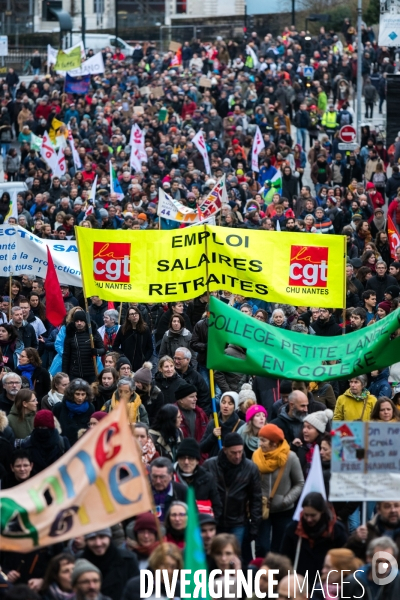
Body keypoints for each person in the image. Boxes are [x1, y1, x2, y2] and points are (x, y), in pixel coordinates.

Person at [252, 423, 304, 556]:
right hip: (262, 509)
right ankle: (261, 574)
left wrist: (286, 501)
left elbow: (299, 483)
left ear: (274, 443)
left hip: (283, 510)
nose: (260, 444)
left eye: (263, 440)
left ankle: (277, 575)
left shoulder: (290, 457)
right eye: (260, 439)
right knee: (262, 546)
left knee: (279, 548)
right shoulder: (256, 456)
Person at [203, 432, 262, 546]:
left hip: (238, 522)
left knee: (233, 556)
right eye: (233, 453)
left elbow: (256, 499)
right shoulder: (210, 465)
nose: (238, 456)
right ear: (225, 450)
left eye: (240, 452)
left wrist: (254, 527)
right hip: (215, 521)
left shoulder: (250, 468)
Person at [280, 492, 348, 583]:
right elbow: (284, 558)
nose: (309, 519)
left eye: (313, 515)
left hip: (327, 583)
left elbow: (345, 559)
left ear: (322, 512)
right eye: (306, 515)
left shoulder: (336, 531)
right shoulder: (293, 529)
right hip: (299, 583)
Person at [79, 528, 139, 600]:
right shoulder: (79, 562)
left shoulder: (128, 560)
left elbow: (135, 591)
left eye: (102, 537)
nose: (98, 543)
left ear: (109, 538)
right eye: (92, 538)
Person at [174, 437, 222, 519]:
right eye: (182, 458)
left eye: (190, 458)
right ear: (177, 459)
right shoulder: (171, 477)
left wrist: (211, 525)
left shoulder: (207, 478)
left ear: (197, 461)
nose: (186, 462)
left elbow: (217, 506)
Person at [21, 409, 69, 475]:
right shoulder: (27, 445)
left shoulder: (62, 443)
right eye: (39, 427)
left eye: (44, 427)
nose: (41, 430)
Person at [62, 310, 105, 384]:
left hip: (91, 373)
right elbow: (66, 355)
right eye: (77, 321)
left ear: (85, 321)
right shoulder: (70, 334)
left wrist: (97, 351)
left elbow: (103, 350)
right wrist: (65, 373)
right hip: (75, 373)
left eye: (81, 321)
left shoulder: (93, 333)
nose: (79, 323)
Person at [52, 378, 95, 445]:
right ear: (71, 394)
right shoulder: (59, 407)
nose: (80, 398)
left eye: (83, 394)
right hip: (64, 446)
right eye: (77, 394)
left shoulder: (90, 408)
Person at [200, 391, 243, 457]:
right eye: (223, 402)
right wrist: (213, 436)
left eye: (230, 403)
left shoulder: (240, 425)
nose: (226, 406)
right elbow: (202, 448)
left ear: (235, 407)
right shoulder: (213, 423)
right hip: (215, 464)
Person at [112, 307, 153, 372]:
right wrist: (123, 356)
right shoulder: (123, 329)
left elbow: (150, 348)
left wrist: (144, 358)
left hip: (140, 364)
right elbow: (115, 346)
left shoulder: (145, 329)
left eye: (136, 313)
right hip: (126, 364)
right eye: (132, 314)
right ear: (128, 317)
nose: (134, 315)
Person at [173, 347, 211, 415]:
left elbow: (204, 399)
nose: (176, 361)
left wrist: (202, 417)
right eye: (175, 358)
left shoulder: (196, 377)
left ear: (187, 360)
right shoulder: (171, 374)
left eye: (179, 359)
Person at [149, 457, 187, 522]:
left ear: (170, 476)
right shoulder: (143, 492)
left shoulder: (182, 491)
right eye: (154, 476)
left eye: (162, 477)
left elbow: (194, 517)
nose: (158, 481)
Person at [133, 361, 164, 426]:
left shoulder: (157, 394)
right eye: (135, 381)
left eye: (138, 382)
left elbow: (157, 416)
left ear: (145, 384)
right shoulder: (133, 391)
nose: (136, 384)